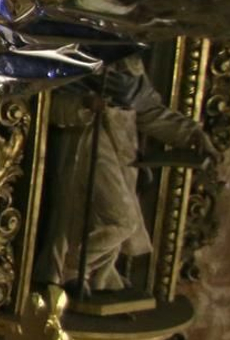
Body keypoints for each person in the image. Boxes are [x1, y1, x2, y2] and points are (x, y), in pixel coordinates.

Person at [41, 53, 218, 292]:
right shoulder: (72, 54)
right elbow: (46, 104)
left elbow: (148, 111)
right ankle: (72, 268)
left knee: (109, 220)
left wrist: (192, 135)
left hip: (122, 147)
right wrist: (84, 104)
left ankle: (91, 276)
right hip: (86, 142)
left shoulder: (129, 62)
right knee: (120, 219)